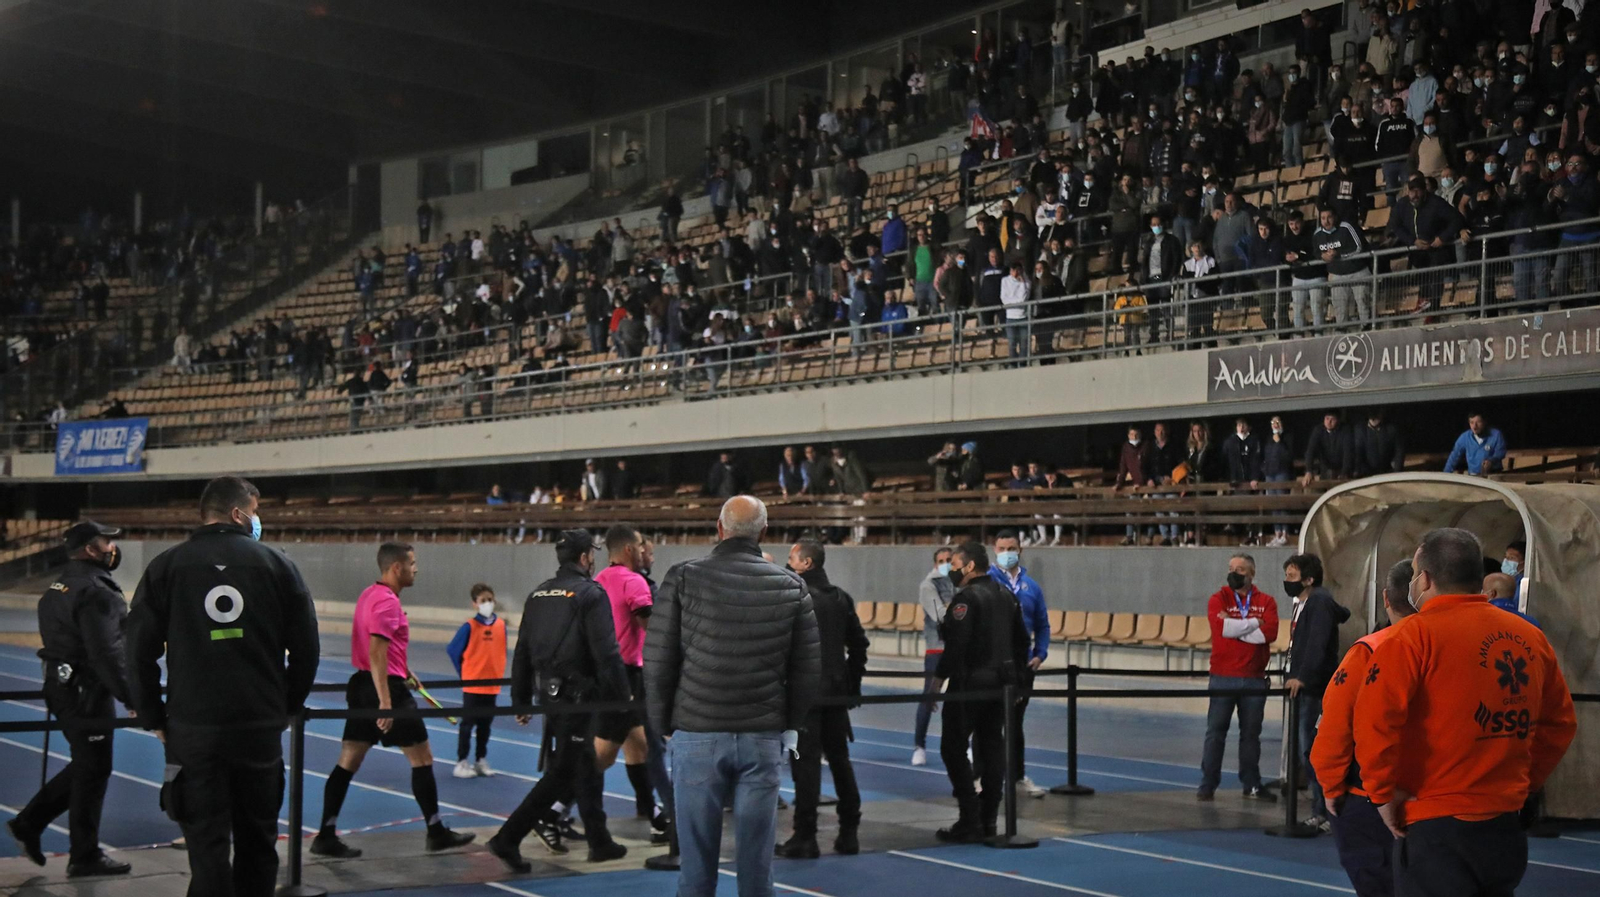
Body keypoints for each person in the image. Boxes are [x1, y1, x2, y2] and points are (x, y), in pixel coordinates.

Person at [124, 476, 321, 896]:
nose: (257, 518)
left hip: (195, 730)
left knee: (207, 848)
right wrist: (285, 706)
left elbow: (138, 654)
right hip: (257, 729)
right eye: (255, 509)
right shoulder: (278, 565)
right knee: (259, 845)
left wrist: (154, 718)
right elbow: (307, 651)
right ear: (238, 513)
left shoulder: (166, 567)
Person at [1354, 529, 1576, 897]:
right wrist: (1524, 782)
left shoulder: (1409, 639)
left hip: (1435, 820)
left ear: (1424, 579)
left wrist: (1380, 794)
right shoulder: (1529, 636)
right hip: (1504, 823)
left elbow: (1375, 723)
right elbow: (1560, 723)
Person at [644, 496, 820, 897]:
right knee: (757, 869)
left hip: (697, 732)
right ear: (764, 532)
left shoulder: (684, 577)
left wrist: (662, 724)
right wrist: (790, 726)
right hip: (761, 736)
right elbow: (808, 671)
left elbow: (657, 660)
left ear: (719, 529)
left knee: (695, 870)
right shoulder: (792, 586)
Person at [310, 543, 474, 859]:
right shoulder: (387, 602)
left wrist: (405, 670)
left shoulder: (369, 594)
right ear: (396, 567)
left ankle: (326, 834)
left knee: (349, 760)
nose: (416, 568)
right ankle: (436, 831)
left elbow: (384, 650)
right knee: (422, 758)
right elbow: (376, 651)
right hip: (383, 691)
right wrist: (386, 701)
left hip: (362, 685)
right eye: (412, 563)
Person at [486, 530, 632, 869]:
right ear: (584, 558)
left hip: (550, 694)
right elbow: (607, 653)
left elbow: (522, 649)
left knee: (585, 763)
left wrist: (521, 697)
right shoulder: (590, 594)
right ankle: (508, 837)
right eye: (591, 555)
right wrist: (622, 698)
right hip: (580, 696)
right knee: (564, 771)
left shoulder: (538, 594)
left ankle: (600, 840)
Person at [8, 521, 133, 877]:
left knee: (88, 765)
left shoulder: (59, 586)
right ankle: (82, 854)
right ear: (91, 549)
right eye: (107, 541)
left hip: (61, 687)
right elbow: (107, 654)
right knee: (93, 768)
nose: (113, 547)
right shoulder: (96, 591)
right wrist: (131, 696)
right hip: (85, 692)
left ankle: (31, 825)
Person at [1311, 559, 1417, 897]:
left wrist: (1329, 784)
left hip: (1372, 798)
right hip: (1451, 797)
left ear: (1386, 598)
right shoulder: (1462, 645)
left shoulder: (1371, 650)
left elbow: (1335, 725)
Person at [776, 540, 868, 859]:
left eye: (791, 559)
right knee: (840, 761)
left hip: (804, 695)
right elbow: (859, 645)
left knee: (805, 766)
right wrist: (852, 686)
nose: (787, 564)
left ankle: (805, 836)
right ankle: (849, 832)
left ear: (807, 563)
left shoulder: (794, 597)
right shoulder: (841, 598)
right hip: (835, 693)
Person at [935, 541, 1029, 843]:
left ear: (970, 566)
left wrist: (939, 676)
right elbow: (1021, 642)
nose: (951, 569)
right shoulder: (1006, 595)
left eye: (954, 563)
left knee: (952, 746)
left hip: (971, 683)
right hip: (1002, 683)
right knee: (991, 747)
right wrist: (1019, 682)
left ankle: (970, 817)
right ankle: (989, 818)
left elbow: (957, 644)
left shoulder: (966, 599)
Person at [593, 524, 668, 834]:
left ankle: (652, 812)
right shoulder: (634, 581)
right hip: (628, 676)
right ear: (627, 550)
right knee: (603, 754)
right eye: (640, 547)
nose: (643, 551)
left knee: (640, 746)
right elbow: (654, 626)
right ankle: (556, 807)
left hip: (602, 672)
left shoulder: (598, 581)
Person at [1199, 553, 1279, 802]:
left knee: (1251, 735)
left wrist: (1236, 626)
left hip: (1254, 677)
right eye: (1231, 568)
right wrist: (1255, 622)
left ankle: (1252, 783)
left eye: (1241, 569)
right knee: (1215, 733)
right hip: (1223, 676)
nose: (1235, 572)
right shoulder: (1218, 598)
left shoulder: (1266, 600)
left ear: (1251, 574)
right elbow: (1221, 629)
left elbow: (1270, 633)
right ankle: (1208, 784)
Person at [1282, 553, 1350, 831]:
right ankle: (1322, 807)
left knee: (1310, 749)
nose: (1287, 581)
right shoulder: (1305, 603)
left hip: (1313, 687)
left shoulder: (1319, 602)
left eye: (1292, 576)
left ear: (1309, 579)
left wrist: (1303, 677)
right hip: (1304, 685)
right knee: (1306, 749)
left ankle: (1324, 810)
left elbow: (1317, 645)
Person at [988, 530, 1050, 799]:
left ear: (1020, 550)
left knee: (1016, 724)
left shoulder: (1031, 587)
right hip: (994, 665)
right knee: (989, 723)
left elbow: (1042, 624)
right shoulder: (988, 582)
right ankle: (984, 776)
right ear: (994, 550)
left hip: (1023, 667)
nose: (1006, 553)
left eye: (1011, 548)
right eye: (1002, 548)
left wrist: (1040, 653)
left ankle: (1017, 776)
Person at [445, 583, 505, 778]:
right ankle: (461, 762)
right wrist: (464, 674)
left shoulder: (500, 625)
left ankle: (481, 759)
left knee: (485, 726)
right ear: (475, 604)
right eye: (483, 600)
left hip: (492, 685)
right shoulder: (469, 627)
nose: (487, 603)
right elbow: (453, 650)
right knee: (467, 724)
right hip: (473, 685)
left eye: (490, 599)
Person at [912, 547, 955, 766]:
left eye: (949, 559)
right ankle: (919, 745)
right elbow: (941, 615)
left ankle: (964, 746)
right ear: (935, 564)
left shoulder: (959, 582)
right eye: (941, 560)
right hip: (936, 648)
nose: (946, 563)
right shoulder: (928, 585)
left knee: (961, 697)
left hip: (958, 648)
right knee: (929, 696)